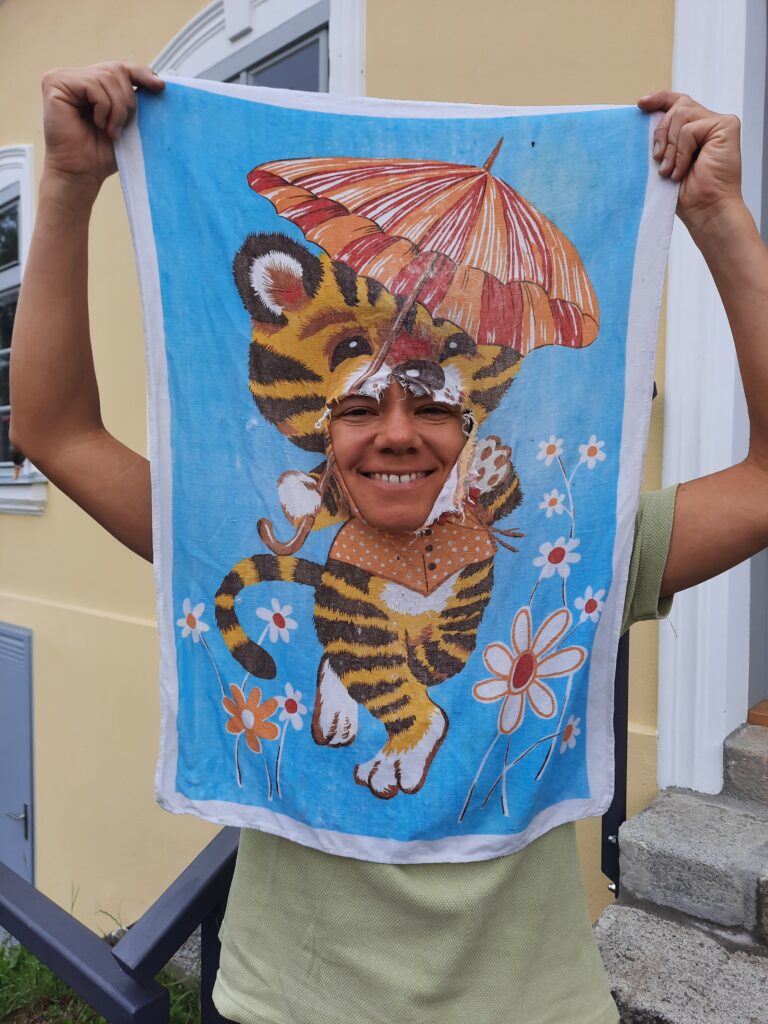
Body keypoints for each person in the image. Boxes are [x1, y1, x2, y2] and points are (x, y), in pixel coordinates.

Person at [9, 63, 768, 1024]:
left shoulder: (572, 552)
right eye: (359, 406)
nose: (397, 434)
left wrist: (719, 217)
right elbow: (54, 432)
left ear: (475, 416)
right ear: (317, 427)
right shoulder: (226, 530)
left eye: (433, 406)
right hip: (282, 1003)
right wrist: (68, 186)